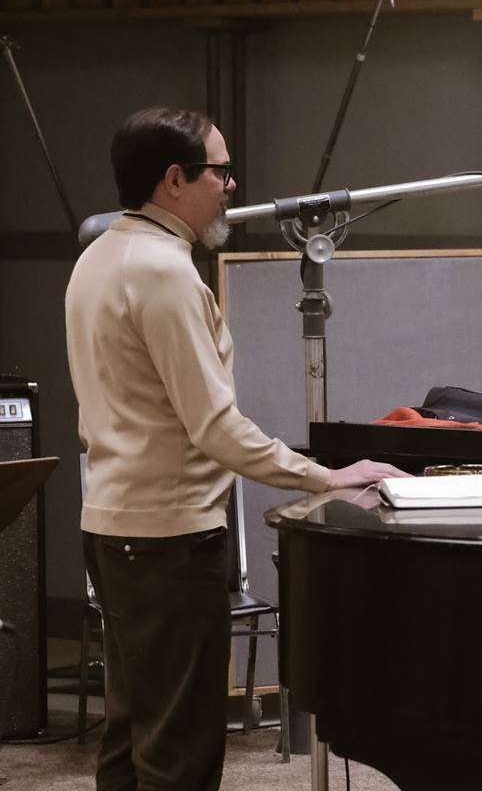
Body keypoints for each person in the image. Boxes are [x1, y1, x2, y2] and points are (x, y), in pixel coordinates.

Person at [64, 107, 404, 791]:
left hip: (112, 530)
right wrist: (323, 478)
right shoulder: (163, 273)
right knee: (180, 750)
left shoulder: (101, 255)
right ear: (174, 179)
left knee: (132, 735)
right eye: (219, 169)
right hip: (166, 541)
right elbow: (215, 427)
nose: (231, 183)